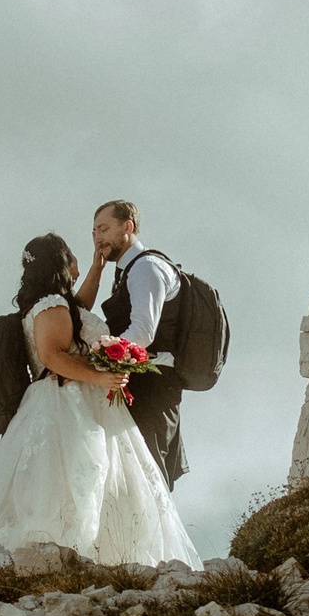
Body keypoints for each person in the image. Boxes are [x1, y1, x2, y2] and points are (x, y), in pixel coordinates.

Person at [0, 233, 200, 568]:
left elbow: (78, 309)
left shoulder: (53, 303)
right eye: (71, 253)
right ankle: (70, 557)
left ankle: (83, 559)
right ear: (61, 261)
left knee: (87, 481)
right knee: (80, 477)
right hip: (64, 404)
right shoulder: (52, 306)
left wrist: (97, 268)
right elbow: (52, 355)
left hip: (66, 398)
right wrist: (101, 376)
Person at [77, 199, 185, 484]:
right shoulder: (129, 270)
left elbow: (143, 331)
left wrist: (97, 359)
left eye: (104, 228)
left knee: (150, 472)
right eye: (94, 232)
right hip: (142, 379)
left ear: (128, 226)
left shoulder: (146, 268)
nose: (98, 238)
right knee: (135, 473)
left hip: (156, 381)